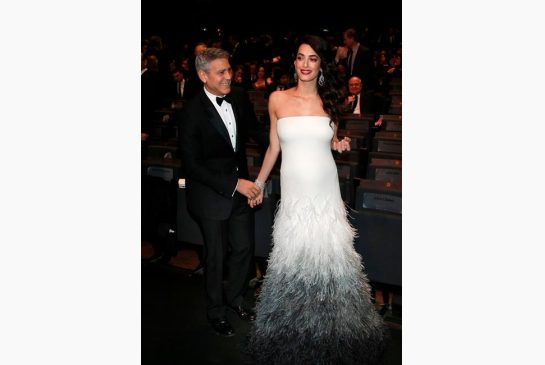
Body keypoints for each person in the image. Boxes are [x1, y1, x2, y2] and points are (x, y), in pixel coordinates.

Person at [247, 35, 386, 364]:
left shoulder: (331, 100)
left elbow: (333, 141)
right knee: (295, 260)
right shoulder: (277, 99)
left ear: (321, 64)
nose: (305, 64)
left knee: (329, 259)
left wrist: (339, 144)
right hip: (294, 192)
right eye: (300, 58)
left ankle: (337, 333)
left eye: (312, 58)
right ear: (293, 62)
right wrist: (258, 183)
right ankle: (292, 332)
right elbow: (273, 148)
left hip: (325, 189)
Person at [179, 47, 268, 337]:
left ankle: (237, 300)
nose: (229, 76)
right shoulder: (191, 111)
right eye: (221, 72)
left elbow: (256, 133)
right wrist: (234, 184)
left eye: (229, 69)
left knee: (244, 249)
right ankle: (216, 312)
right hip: (210, 195)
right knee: (216, 256)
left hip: (240, 189)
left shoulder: (239, 97)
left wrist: (292, 137)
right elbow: (192, 166)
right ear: (203, 75)